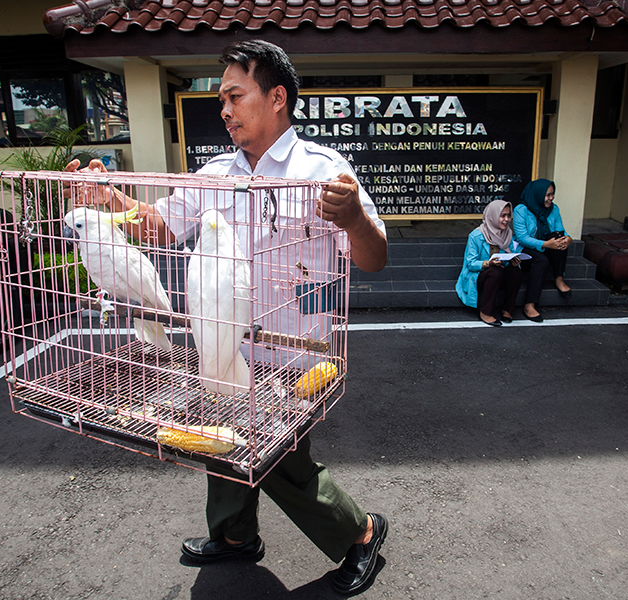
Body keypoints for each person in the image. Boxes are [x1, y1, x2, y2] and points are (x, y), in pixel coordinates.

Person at [65, 40, 388, 596]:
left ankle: (360, 533)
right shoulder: (215, 173)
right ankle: (235, 536)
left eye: (236, 96)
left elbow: (374, 258)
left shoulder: (324, 171)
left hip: (295, 354)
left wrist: (355, 219)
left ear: (277, 98)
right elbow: (159, 226)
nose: (225, 109)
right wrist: (111, 200)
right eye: (222, 100)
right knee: (219, 442)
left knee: (280, 459)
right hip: (225, 346)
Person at [512, 179, 573, 323]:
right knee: (541, 260)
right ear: (538, 194)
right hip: (525, 249)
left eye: (552, 194)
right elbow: (522, 238)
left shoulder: (554, 209)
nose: (551, 198)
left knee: (559, 238)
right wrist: (545, 244)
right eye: (547, 195)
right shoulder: (521, 210)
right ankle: (529, 305)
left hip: (547, 246)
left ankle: (559, 278)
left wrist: (568, 239)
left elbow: (560, 231)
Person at [455, 200, 522, 327]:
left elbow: (509, 254)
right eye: (502, 215)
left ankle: (507, 310)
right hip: (478, 276)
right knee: (495, 271)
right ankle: (486, 312)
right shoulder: (476, 235)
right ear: (493, 216)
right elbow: (471, 264)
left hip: (499, 274)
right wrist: (489, 263)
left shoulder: (507, 234)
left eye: (508, 215)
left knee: (515, 271)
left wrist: (513, 261)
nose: (506, 219)